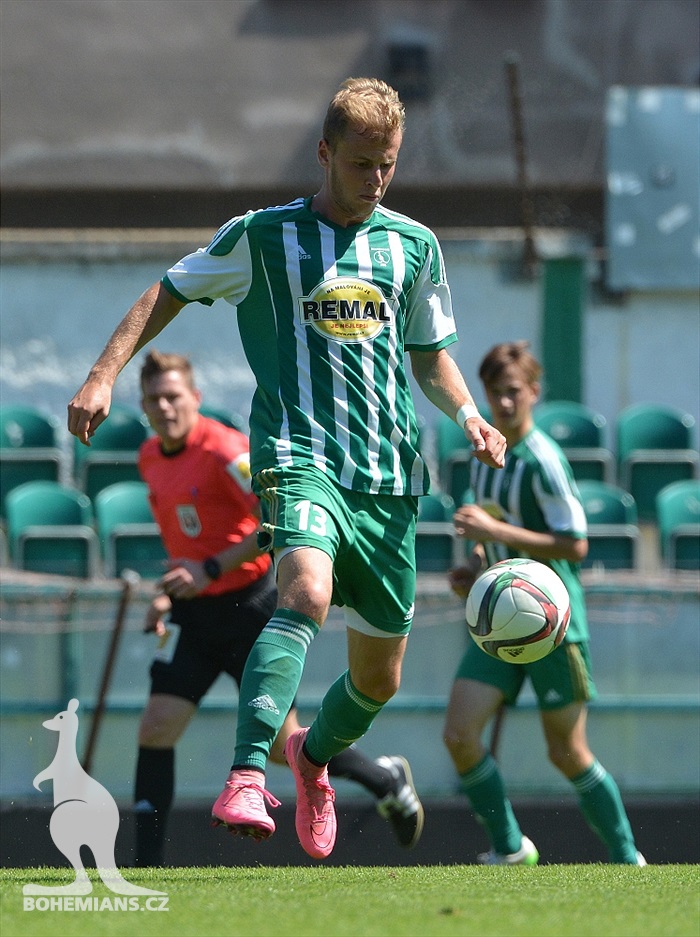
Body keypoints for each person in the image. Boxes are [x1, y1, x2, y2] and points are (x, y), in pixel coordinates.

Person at [67, 77, 506, 861]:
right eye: (362, 163)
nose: (376, 179)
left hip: (390, 479)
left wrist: (468, 412)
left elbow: (431, 352)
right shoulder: (263, 238)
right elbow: (166, 291)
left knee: (379, 679)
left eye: (389, 165)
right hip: (300, 457)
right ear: (325, 153)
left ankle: (310, 761)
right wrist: (104, 372)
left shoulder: (413, 244)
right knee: (305, 588)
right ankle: (245, 777)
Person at [132, 348, 425, 864]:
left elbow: (272, 520)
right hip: (195, 616)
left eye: (173, 396)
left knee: (283, 745)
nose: (165, 407)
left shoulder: (227, 451)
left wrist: (213, 569)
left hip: (249, 607)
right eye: (154, 399)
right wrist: (169, 591)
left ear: (195, 398)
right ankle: (144, 865)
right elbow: (184, 540)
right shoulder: (150, 457)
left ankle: (384, 779)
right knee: (155, 726)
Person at [443, 341, 646, 865]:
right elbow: (493, 539)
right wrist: (476, 566)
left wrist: (494, 529)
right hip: (497, 621)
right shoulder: (484, 457)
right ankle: (510, 848)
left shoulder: (544, 461)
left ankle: (629, 860)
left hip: (553, 627)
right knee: (460, 734)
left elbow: (575, 543)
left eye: (513, 392)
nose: (504, 404)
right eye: (494, 393)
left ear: (533, 392)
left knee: (566, 752)